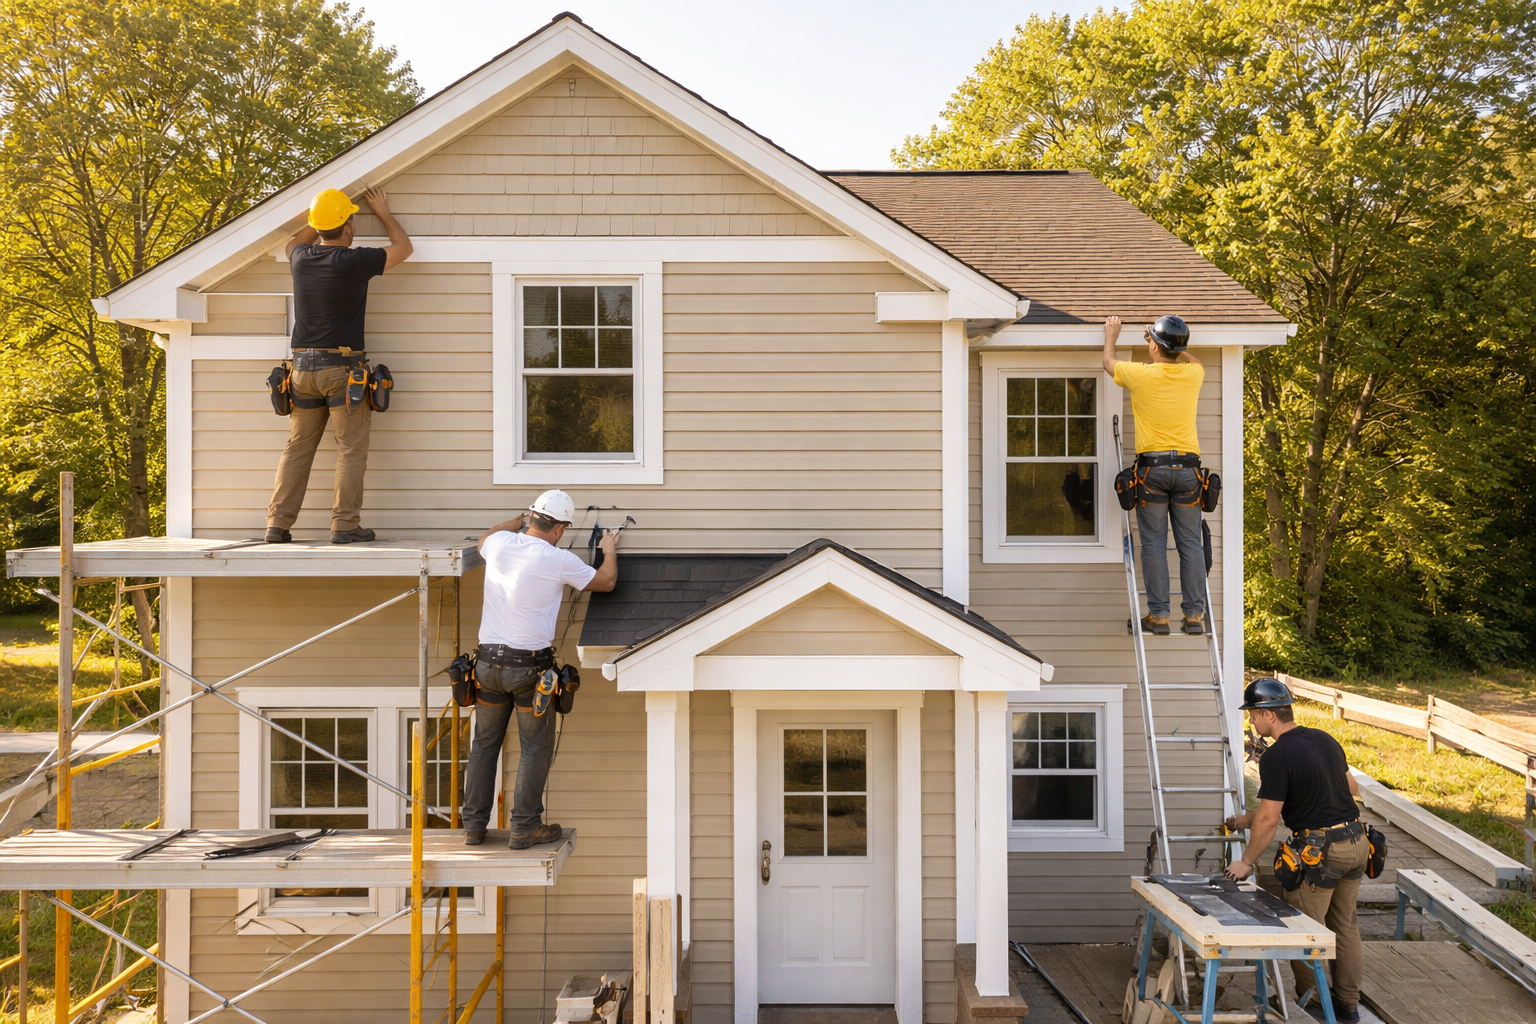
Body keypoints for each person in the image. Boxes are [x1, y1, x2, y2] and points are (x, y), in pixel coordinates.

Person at [460, 489, 619, 849]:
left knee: (484, 746)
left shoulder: (500, 542)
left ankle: (473, 827)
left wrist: (513, 523)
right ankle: (525, 827)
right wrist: (609, 551)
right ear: (560, 529)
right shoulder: (556, 558)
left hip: (487, 665)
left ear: (532, 517)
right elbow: (606, 582)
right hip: (528, 669)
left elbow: (486, 538)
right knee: (534, 748)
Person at [265, 186, 413, 545]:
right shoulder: (353, 260)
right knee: (350, 449)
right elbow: (404, 249)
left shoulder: (299, 256)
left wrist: (319, 218)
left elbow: (297, 239)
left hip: (301, 371)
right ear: (348, 225)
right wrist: (382, 212)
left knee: (297, 448)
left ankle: (277, 525)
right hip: (341, 372)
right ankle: (344, 526)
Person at [1223, 678, 1367, 1023]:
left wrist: (1245, 861)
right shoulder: (1324, 739)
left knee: (1306, 928)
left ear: (1268, 715)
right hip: (1356, 842)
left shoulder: (1276, 757)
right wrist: (1245, 820)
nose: (1251, 723)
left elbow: (1271, 818)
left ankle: (1313, 1001)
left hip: (1321, 855)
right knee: (1345, 925)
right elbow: (1351, 788)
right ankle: (1348, 1004)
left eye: (1252, 715)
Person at [1101, 314, 1206, 635]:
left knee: (1154, 544)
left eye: (1151, 341)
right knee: (1191, 544)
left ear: (1155, 347)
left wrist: (1112, 335)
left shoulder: (1140, 375)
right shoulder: (1193, 374)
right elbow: (1193, 359)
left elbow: (1109, 361)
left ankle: (1159, 616)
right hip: (1189, 472)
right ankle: (1194, 617)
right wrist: (1173, 345)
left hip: (1153, 472)